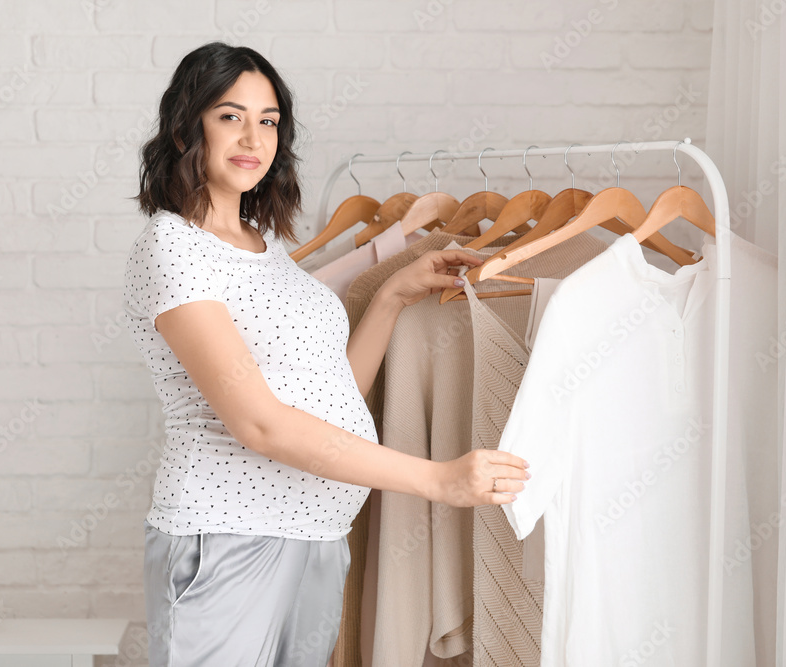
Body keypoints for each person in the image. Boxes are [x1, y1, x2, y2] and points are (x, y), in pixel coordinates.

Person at [123, 42, 531, 667]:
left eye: (268, 121)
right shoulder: (172, 248)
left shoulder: (264, 247)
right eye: (230, 116)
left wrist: (392, 296)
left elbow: (332, 390)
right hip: (231, 536)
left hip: (318, 538)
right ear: (187, 125)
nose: (252, 137)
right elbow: (258, 423)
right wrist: (439, 480)